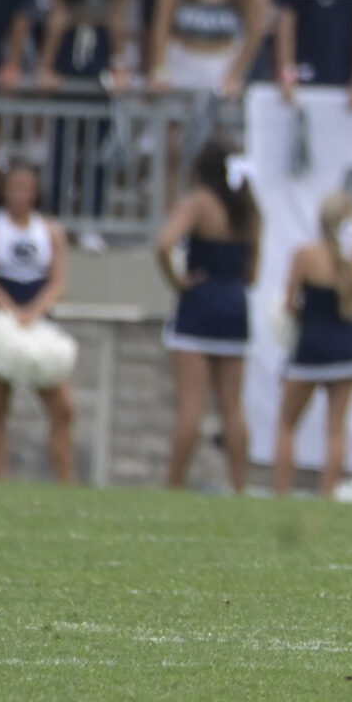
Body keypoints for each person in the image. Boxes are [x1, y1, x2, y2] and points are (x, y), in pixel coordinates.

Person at [155, 141, 259, 496]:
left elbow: (163, 244)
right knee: (233, 406)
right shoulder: (251, 209)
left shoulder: (198, 202)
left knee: (192, 405)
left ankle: (173, 484)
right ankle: (240, 486)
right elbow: (254, 273)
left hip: (200, 302)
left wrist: (177, 281)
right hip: (235, 304)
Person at [0, 160, 75, 484]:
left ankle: (66, 482)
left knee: (64, 409)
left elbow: (57, 282)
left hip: (38, 326)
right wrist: (9, 312)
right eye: (14, 187)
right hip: (1, 325)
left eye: (27, 188)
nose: (20, 194)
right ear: (4, 191)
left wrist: (33, 312)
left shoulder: (50, 230)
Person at [273, 190, 352, 500]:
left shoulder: (305, 255)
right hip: (349, 348)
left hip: (312, 347)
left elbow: (289, 304)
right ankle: (328, 495)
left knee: (287, 423)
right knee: (336, 428)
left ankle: (282, 493)